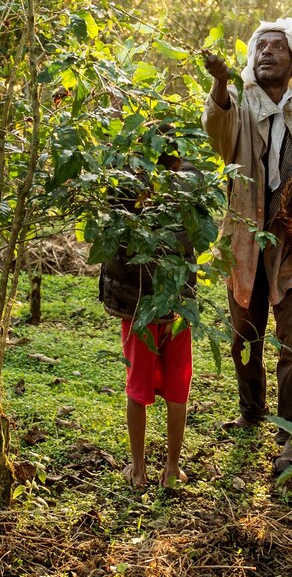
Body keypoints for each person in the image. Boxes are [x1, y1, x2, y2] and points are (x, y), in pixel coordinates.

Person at [202, 17, 292, 474]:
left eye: (276, 48)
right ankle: (251, 412)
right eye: (260, 47)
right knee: (244, 333)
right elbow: (219, 139)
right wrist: (220, 86)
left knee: (291, 341)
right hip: (243, 236)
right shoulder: (239, 103)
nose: (266, 53)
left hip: (291, 243)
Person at [98, 148, 197, 489]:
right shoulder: (190, 183)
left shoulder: (122, 181)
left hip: (136, 305)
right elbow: (189, 244)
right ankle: (171, 468)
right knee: (176, 388)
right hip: (175, 308)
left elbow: (115, 249)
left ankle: (138, 469)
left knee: (138, 387)